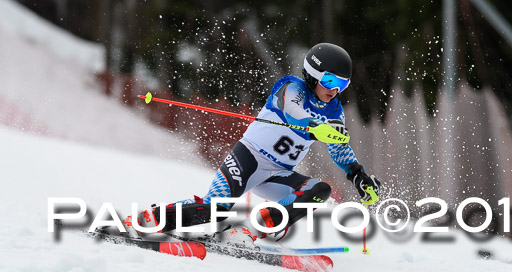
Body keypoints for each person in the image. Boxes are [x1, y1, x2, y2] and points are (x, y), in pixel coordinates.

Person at [128, 43, 381, 240]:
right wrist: (316, 128)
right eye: (330, 81)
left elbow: (339, 147)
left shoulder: (334, 111)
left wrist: (357, 174)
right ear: (313, 76)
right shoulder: (291, 88)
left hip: (278, 174)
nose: (334, 90)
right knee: (214, 209)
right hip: (248, 159)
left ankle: (248, 231)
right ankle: (150, 218)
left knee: (318, 192)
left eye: (342, 84)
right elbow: (294, 113)